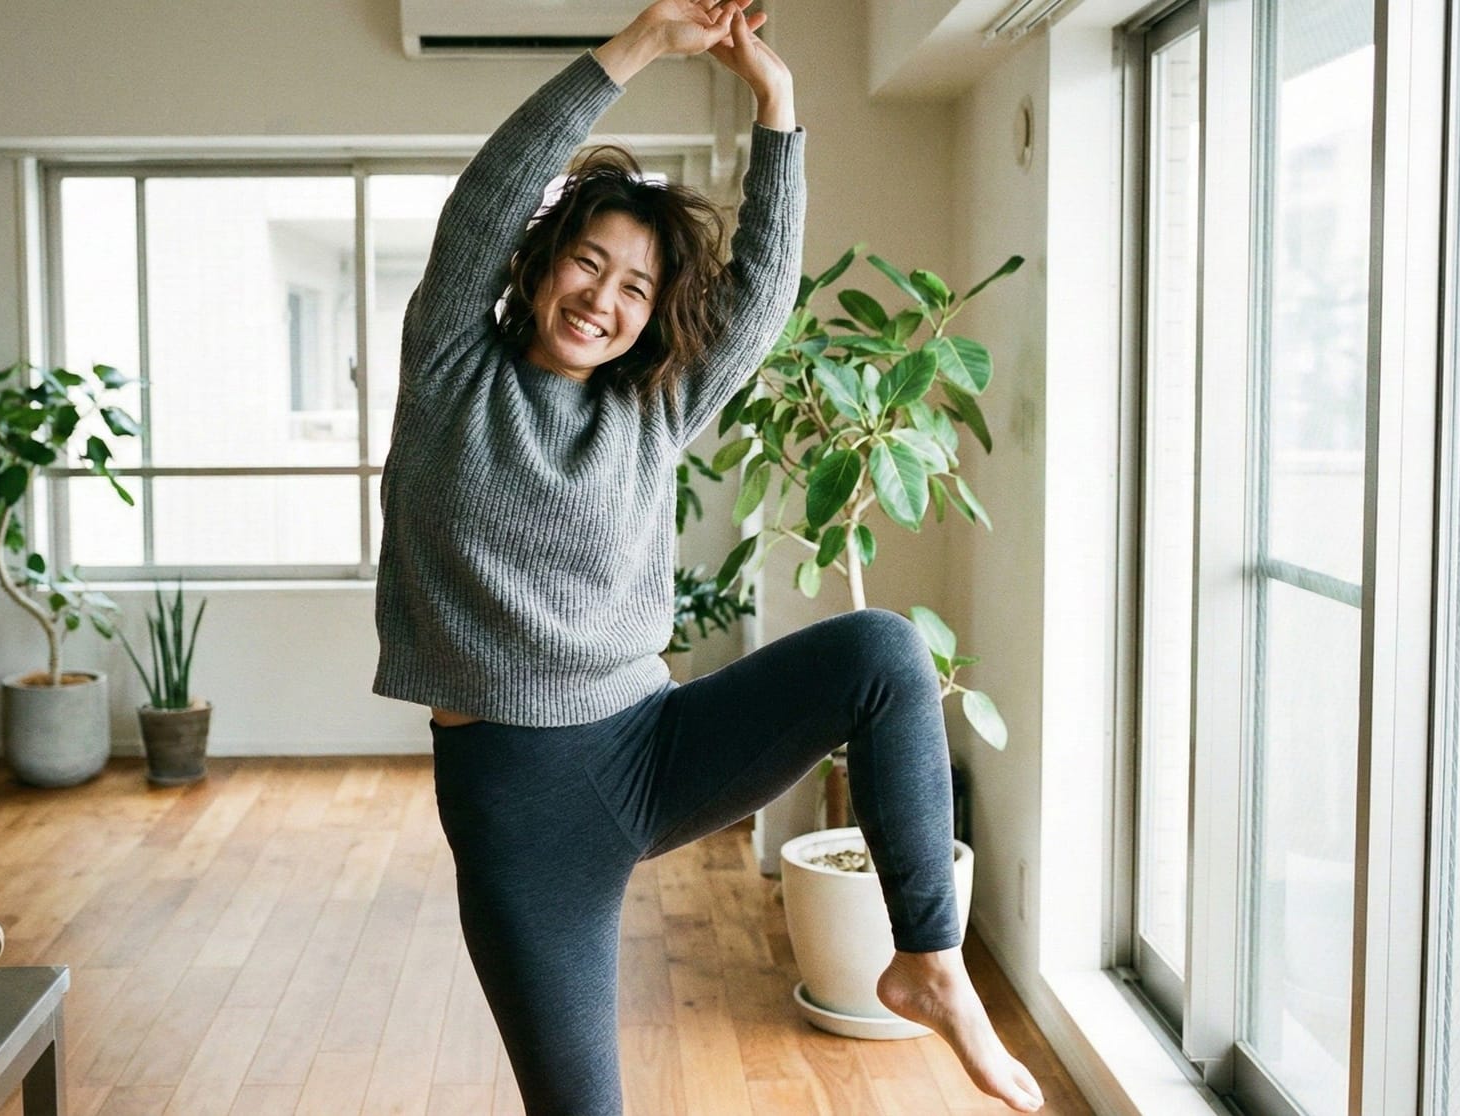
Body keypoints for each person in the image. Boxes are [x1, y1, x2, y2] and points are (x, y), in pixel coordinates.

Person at [371, 1, 1046, 1111]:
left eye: (634, 288)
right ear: (539, 264)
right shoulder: (450, 366)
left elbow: (759, 295)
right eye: (586, 265)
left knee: (882, 652)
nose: (602, 299)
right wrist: (638, 45)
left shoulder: (652, 411)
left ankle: (928, 961)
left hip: (652, 742)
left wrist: (774, 101)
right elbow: (488, 191)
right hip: (519, 804)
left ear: (650, 317)